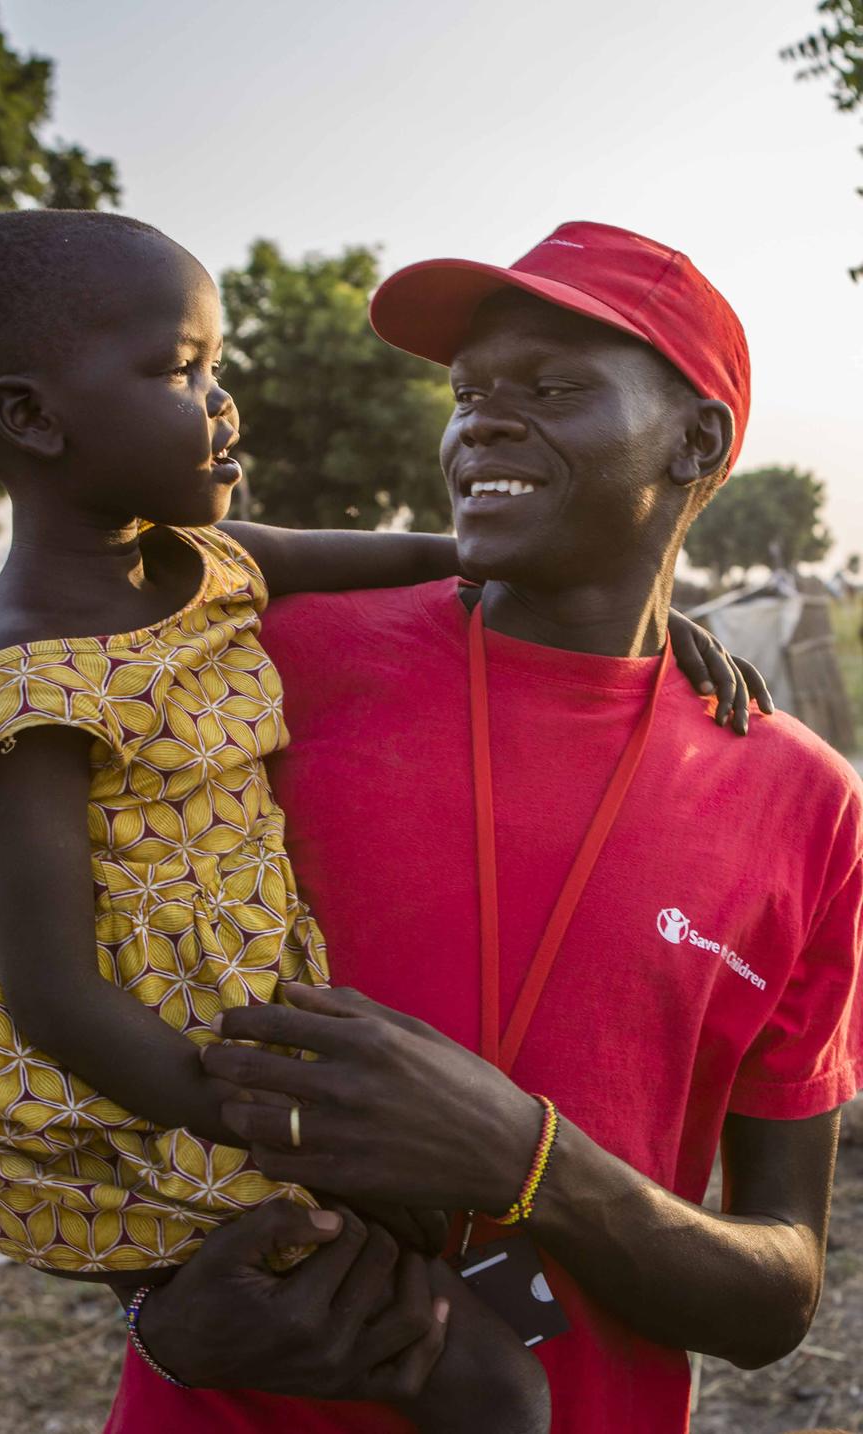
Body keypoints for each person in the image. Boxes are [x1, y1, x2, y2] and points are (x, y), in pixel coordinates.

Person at [0, 211, 759, 1434]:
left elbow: (433, 553)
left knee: (467, 1321)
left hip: (259, 1065)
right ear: (33, 419)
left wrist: (646, 599)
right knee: (494, 1387)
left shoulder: (214, 568)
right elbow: (53, 998)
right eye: (181, 371)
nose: (222, 399)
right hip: (166, 1092)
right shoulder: (29, 679)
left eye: (214, 364)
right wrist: (279, 1130)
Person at [100, 223, 862, 1434]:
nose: (479, 423)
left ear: (699, 441)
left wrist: (528, 1162)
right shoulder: (275, 663)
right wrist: (159, 1318)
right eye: (467, 393)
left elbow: (777, 1295)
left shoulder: (801, 799)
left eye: (552, 388)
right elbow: (62, 1026)